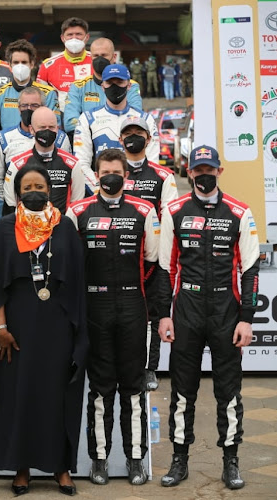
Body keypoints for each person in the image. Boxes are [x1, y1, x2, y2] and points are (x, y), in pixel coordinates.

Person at [0, 164, 87, 497]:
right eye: (27, 187)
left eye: (40, 185)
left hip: (57, 323)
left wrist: (75, 330)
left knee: (56, 394)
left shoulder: (65, 227)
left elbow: (79, 281)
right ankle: (21, 467)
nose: (34, 191)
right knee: (19, 394)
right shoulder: (5, 227)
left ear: (50, 189)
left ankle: (60, 467)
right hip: (16, 326)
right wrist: (0, 326)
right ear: (17, 193)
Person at [157, 145, 259, 490]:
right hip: (185, 308)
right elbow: (165, 268)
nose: (203, 174)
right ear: (189, 171)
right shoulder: (174, 210)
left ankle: (231, 461)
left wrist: (246, 319)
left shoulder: (239, 212)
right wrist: (163, 316)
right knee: (182, 390)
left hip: (226, 312)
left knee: (228, 391)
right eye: (198, 169)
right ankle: (179, 459)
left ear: (219, 171)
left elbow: (250, 269)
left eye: (209, 169)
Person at [66, 149, 161, 486]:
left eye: (116, 171)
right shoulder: (77, 212)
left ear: (126, 175)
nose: (110, 176)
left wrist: (149, 304)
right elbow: (69, 265)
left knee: (133, 387)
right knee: (101, 389)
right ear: (96, 174)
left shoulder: (144, 209)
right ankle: (100, 460)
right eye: (105, 170)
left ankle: (136, 460)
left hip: (133, 306)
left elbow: (153, 263)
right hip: (94, 308)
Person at [119, 116, 179, 391]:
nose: (133, 137)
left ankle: (149, 369)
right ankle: (121, 366)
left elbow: (169, 216)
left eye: (138, 133)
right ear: (120, 140)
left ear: (149, 138)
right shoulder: (112, 170)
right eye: (128, 133)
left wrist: (160, 255)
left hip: (152, 259)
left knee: (152, 314)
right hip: (119, 256)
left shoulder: (163, 176)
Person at [73, 64, 160, 192]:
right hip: (101, 194)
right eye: (109, 82)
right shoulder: (87, 118)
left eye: (119, 82)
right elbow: (82, 164)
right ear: (102, 86)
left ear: (129, 85)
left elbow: (153, 163)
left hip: (138, 194)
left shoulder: (146, 119)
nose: (115, 87)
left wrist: (137, 191)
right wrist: (100, 189)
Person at [0, 87, 72, 215]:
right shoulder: (2, 138)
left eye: (34, 105)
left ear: (43, 107)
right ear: (18, 108)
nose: (28, 109)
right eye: (24, 105)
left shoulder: (61, 137)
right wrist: (11, 202)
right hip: (18, 210)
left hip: (55, 210)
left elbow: (68, 174)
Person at [3, 107, 85, 217]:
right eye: (42, 127)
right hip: (28, 229)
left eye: (51, 127)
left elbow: (77, 204)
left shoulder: (72, 164)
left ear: (57, 128)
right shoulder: (17, 165)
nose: (47, 131)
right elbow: (11, 203)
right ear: (32, 129)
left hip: (60, 227)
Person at [63, 38, 143, 134]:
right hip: (86, 141)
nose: (99, 60)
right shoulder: (78, 87)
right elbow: (70, 123)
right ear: (91, 57)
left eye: (104, 55)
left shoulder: (130, 85)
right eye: (96, 56)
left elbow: (135, 118)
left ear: (114, 57)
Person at [0, 39, 61, 139]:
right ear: (10, 65)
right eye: (16, 62)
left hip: (40, 146)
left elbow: (56, 127)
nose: (20, 66)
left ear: (32, 64)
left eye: (24, 62)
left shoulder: (48, 93)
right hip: (8, 148)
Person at [36, 17, 92, 112]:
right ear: (62, 38)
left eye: (78, 34)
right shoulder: (47, 65)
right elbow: (39, 99)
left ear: (87, 37)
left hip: (91, 117)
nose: (74, 38)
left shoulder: (96, 61)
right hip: (59, 120)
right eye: (70, 34)